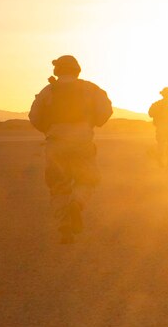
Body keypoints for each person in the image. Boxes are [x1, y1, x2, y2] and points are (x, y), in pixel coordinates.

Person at [28, 55, 113, 243]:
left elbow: (34, 116)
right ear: (76, 70)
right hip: (82, 141)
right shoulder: (90, 88)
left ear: (58, 71)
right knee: (88, 179)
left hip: (56, 142)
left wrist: (49, 130)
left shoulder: (48, 90)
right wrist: (93, 122)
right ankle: (77, 202)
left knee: (58, 184)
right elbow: (106, 110)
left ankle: (64, 226)